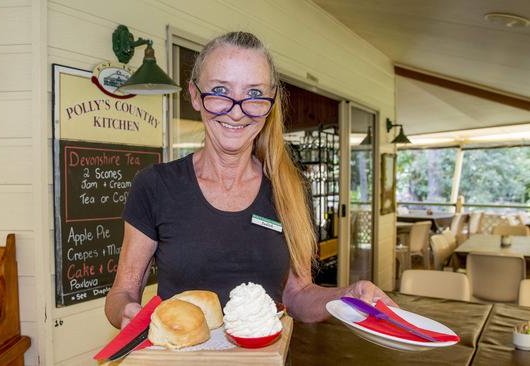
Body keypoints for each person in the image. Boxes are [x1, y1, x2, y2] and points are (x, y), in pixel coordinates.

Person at [105, 31, 394, 329]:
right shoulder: (155, 185)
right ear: (194, 95)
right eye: (220, 90)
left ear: (270, 103)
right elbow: (122, 290)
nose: (237, 110)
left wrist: (349, 296)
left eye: (254, 94)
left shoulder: (291, 190)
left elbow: (298, 294)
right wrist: (127, 312)